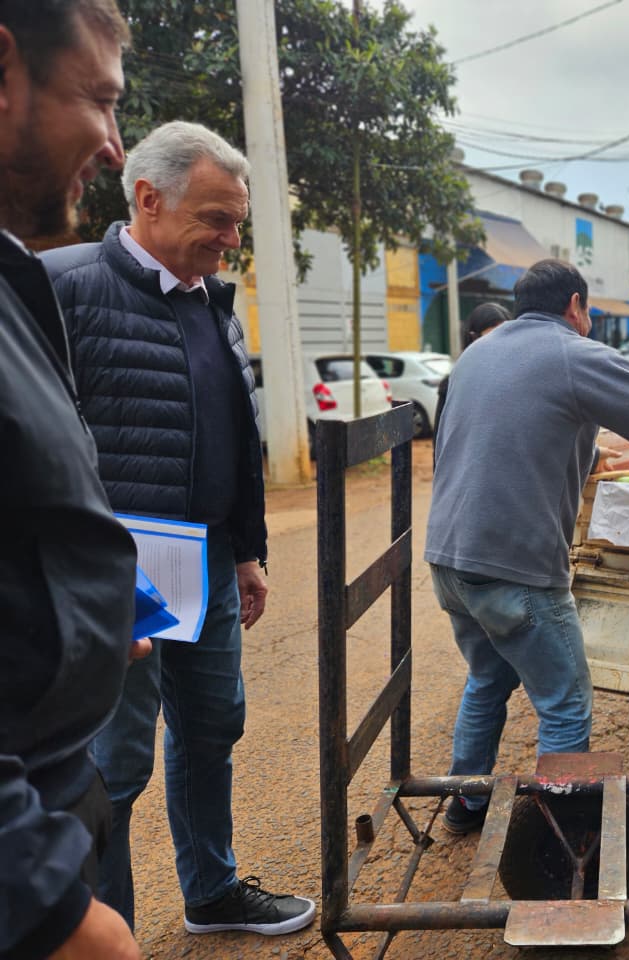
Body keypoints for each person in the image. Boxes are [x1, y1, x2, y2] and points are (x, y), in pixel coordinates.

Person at [41, 121, 316, 937]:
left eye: (237, 222)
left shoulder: (211, 302)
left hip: (206, 562)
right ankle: (105, 933)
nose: (231, 239)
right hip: (111, 578)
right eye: (216, 219)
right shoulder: (62, 288)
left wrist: (247, 552)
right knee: (114, 763)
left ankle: (211, 891)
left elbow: (233, 434)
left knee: (211, 729)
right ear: (148, 199)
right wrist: (79, 573)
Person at [425, 259, 629, 834]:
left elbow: (500, 435)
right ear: (575, 306)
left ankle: (465, 803)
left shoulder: (477, 355)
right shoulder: (570, 352)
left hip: (450, 560)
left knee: (488, 678)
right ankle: (560, 841)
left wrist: (591, 454)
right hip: (515, 570)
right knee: (564, 702)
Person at [0, 2, 143, 957]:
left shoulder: (15, 281)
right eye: (99, 99)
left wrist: (86, 616)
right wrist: (44, 906)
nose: (115, 146)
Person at [432, 301, 510, 467]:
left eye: (506, 338)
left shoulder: (519, 382)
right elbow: (440, 447)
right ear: (473, 338)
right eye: (491, 339)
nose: (500, 347)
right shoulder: (452, 384)